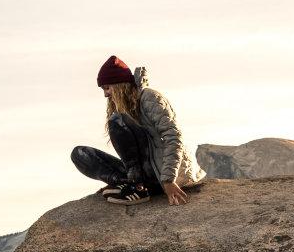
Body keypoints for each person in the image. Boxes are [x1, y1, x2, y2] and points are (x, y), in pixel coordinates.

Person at [71, 56, 206, 206]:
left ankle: (138, 187)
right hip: (144, 173)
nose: (105, 94)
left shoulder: (150, 97)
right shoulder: (123, 107)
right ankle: (127, 183)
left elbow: (173, 138)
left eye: (107, 88)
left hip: (163, 174)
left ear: (119, 85)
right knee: (80, 154)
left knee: (118, 120)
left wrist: (168, 180)